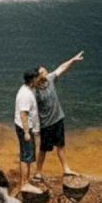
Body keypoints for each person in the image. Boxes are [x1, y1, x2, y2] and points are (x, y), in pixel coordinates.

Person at [33, 51, 83, 180]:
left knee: (61, 146)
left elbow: (61, 68)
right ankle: (38, 172)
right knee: (43, 150)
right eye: (43, 72)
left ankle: (66, 168)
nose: (47, 73)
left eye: (46, 71)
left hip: (58, 119)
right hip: (46, 124)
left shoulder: (50, 79)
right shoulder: (34, 91)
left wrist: (73, 59)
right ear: (37, 77)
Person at [13, 68, 41, 191]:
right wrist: (26, 132)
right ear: (33, 80)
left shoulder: (28, 89)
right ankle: (24, 184)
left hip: (26, 127)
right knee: (26, 156)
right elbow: (23, 114)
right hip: (25, 128)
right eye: (38, 78)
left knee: (28, 155)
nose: (39, 80)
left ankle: (26, 180)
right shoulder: (25, 94)